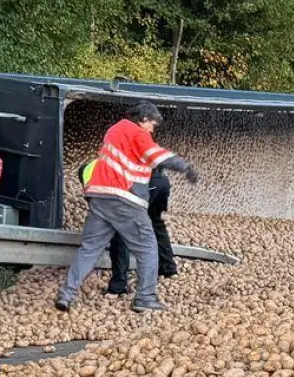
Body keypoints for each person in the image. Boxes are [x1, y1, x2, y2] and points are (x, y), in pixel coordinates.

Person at [56, 102, 198, 313]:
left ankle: (66, 295)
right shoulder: (138, 133)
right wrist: (185, 167)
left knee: (89, 249)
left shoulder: (114, 130)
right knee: (148, 247)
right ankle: (145, 298)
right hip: (124, 198)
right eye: (152, 124)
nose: (153, 129)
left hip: (99, 196)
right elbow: (157, 155)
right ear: (142, 119)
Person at [79, 159, 178, 295]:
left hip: (145, 184)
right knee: (156, 223)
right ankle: (168, 269)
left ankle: (118, 287)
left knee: (120, 235)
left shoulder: (94, 178)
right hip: (161, 182)